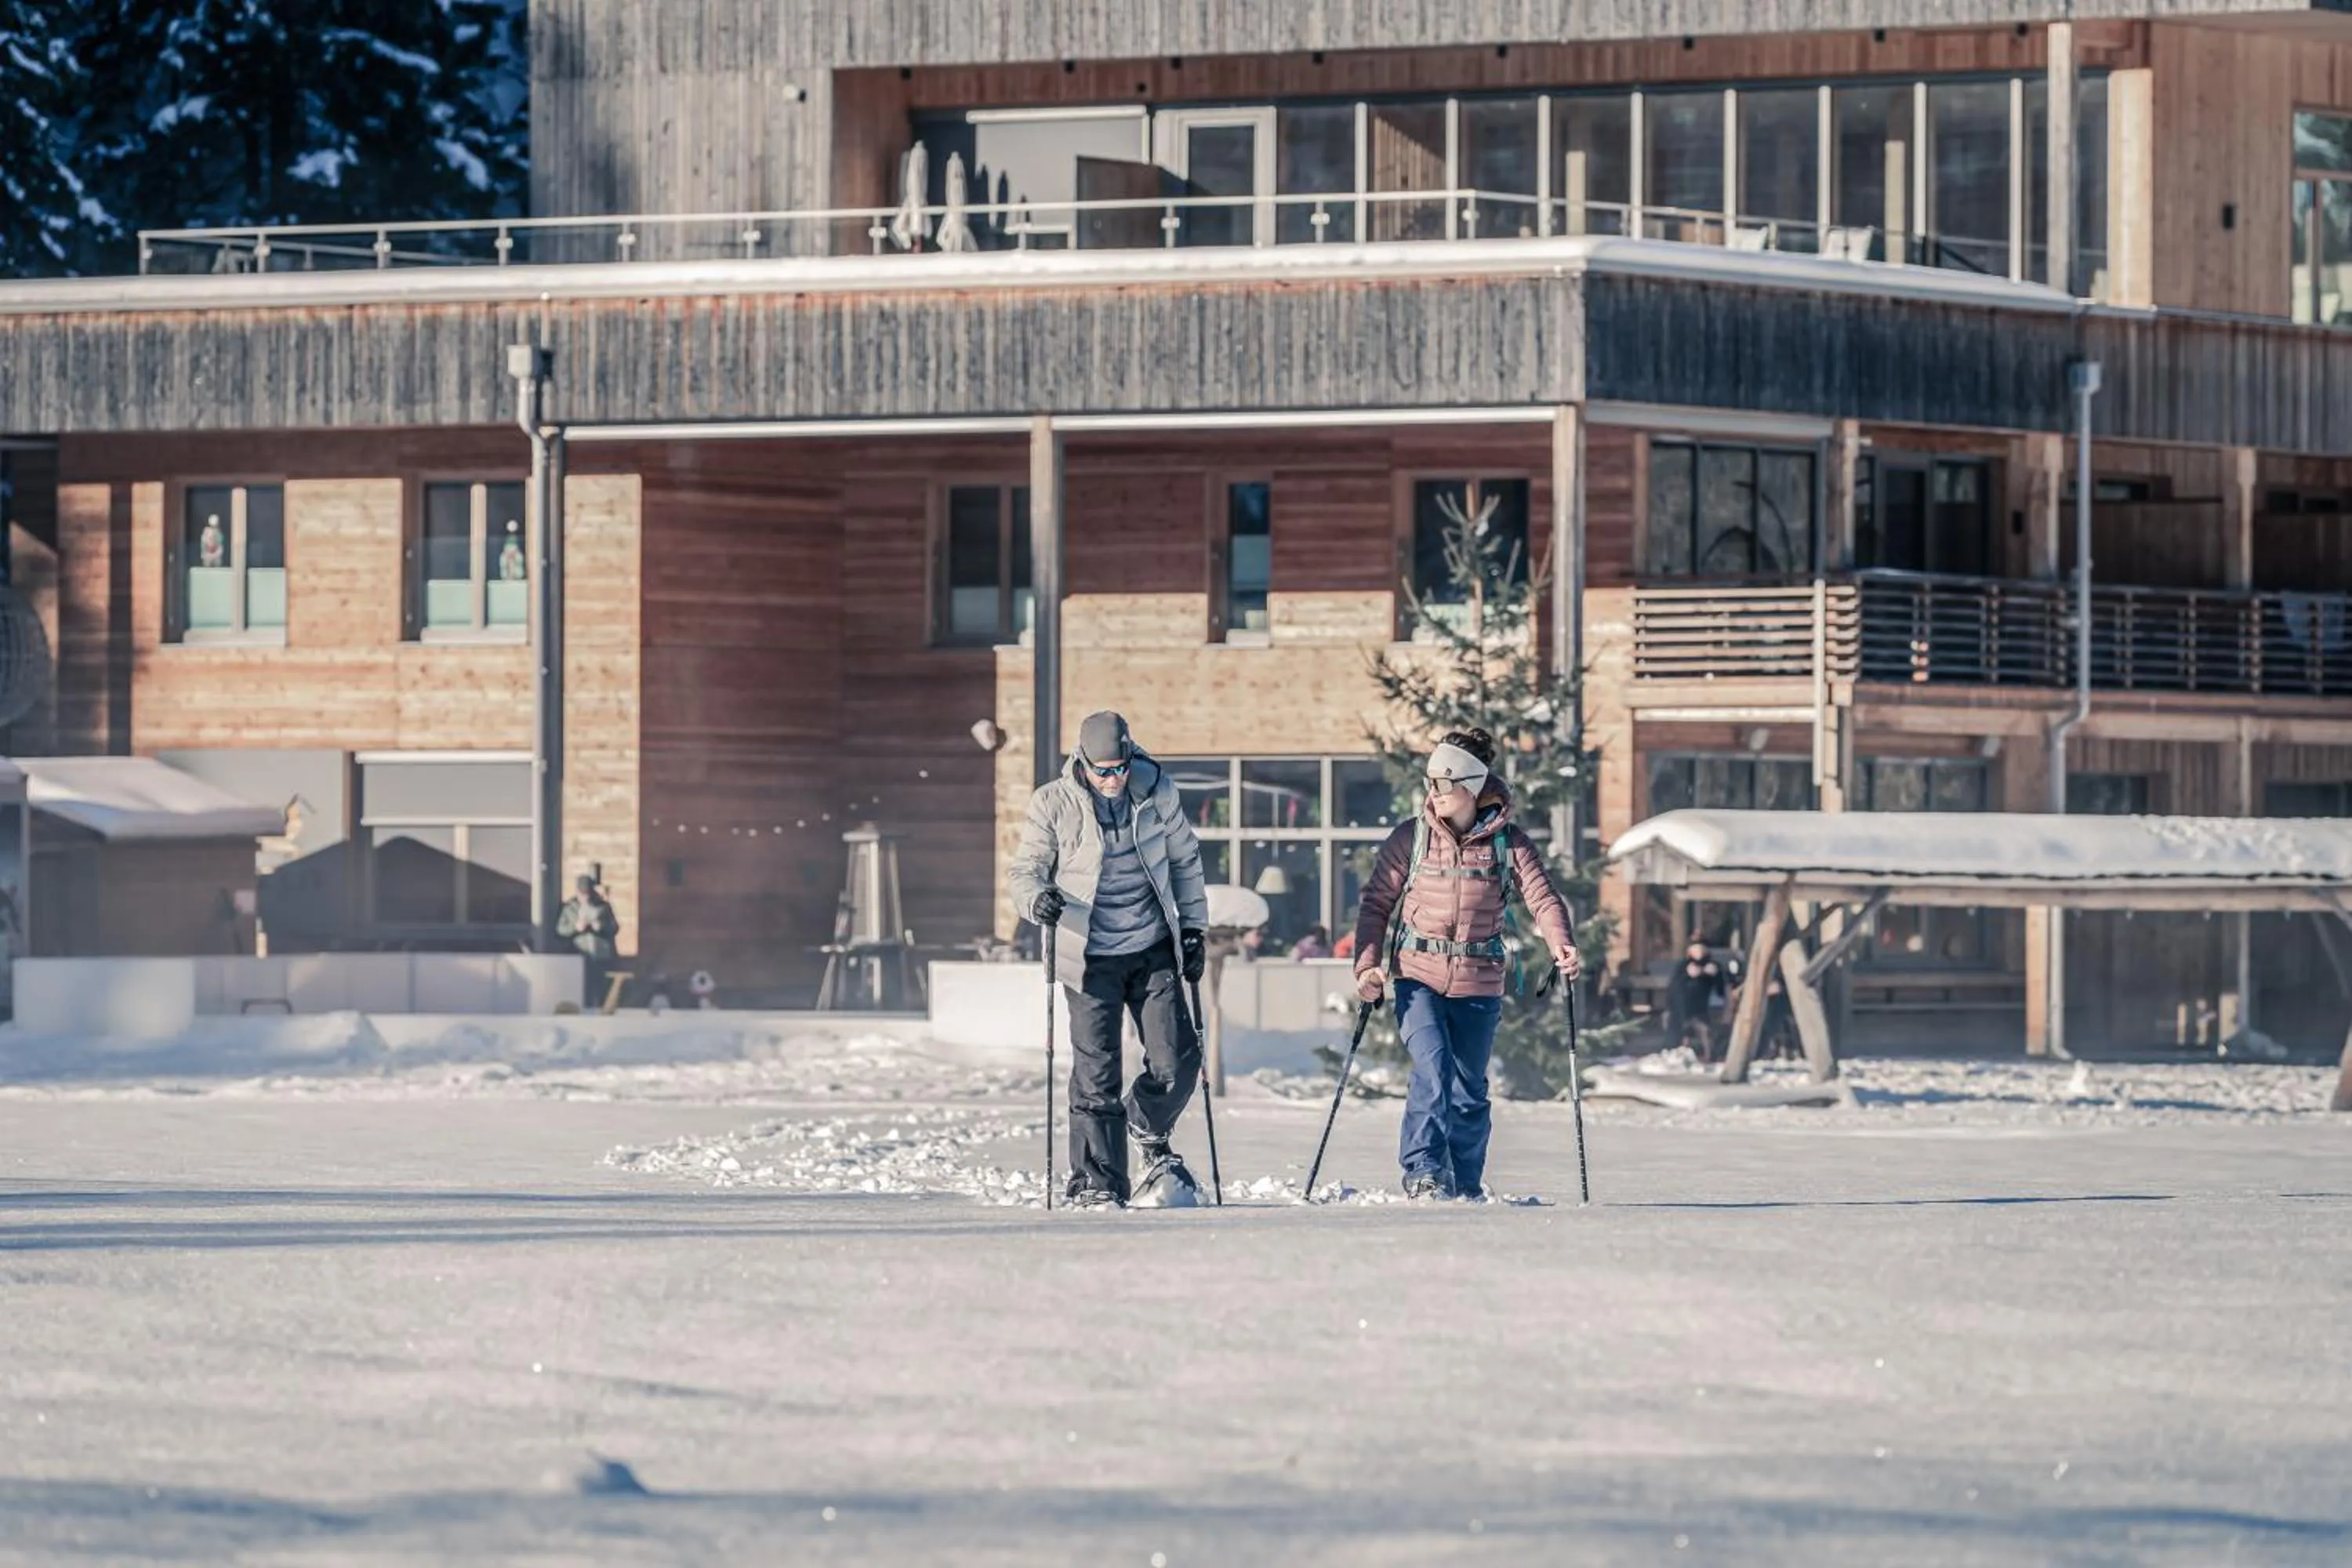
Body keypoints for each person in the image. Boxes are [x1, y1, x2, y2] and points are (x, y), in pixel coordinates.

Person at [1351, 728, 1581, 1201]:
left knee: (1469, 1090)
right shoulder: (1409, 839)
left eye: (1442, 783)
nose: (1431, 794)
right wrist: (1367, 967)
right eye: (1429, 782)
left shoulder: (1508, 843)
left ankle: (1465, 1180)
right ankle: (1423, 1170)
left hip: (1479, 983)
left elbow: (1542, 896)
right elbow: (1376, 904)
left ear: (1471, 787)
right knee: (1433, 1069)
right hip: (1418, 977)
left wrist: (1561, 943)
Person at [1007, 710, 1210, 1209]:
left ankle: (1144, 1123)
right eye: (1103, 770)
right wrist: (1038, 900)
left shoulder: (1157, 792)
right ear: (1082, 763)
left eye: (1121, 767)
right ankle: (1097, 1181)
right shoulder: (1053, 803)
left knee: (1179, 1057)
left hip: (1151, 947)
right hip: (1088, 955)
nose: (1114, 779)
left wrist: (1193, 930)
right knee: (1096, 1073)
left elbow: (1186, 861)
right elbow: (1025, 871)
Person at [556, 873, 620, 1006]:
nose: (586, 897)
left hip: (601, 956)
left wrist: (601, 927)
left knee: (602, 991)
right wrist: (575, 927)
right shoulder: (569, 908)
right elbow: (560, 929)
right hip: (579, 955)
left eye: (588, 894)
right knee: (583, 991)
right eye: (583, 894)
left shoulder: (604, 907)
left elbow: (614, 927)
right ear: (578, 892)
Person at [1666, 938, 1726, 1062]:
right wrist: (1688, 975)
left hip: (1702, 1003)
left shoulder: (1712, 965)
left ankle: (1709, 1054)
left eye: (1701, 949)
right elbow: (1675, 986)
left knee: (1704, 1028)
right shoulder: (1683, 965)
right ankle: (1682, 1054)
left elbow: (1721, 988)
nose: (1699, 952)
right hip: (1683, 1003)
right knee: (1684, 1029)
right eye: (1696, 949)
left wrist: (1714, 974)